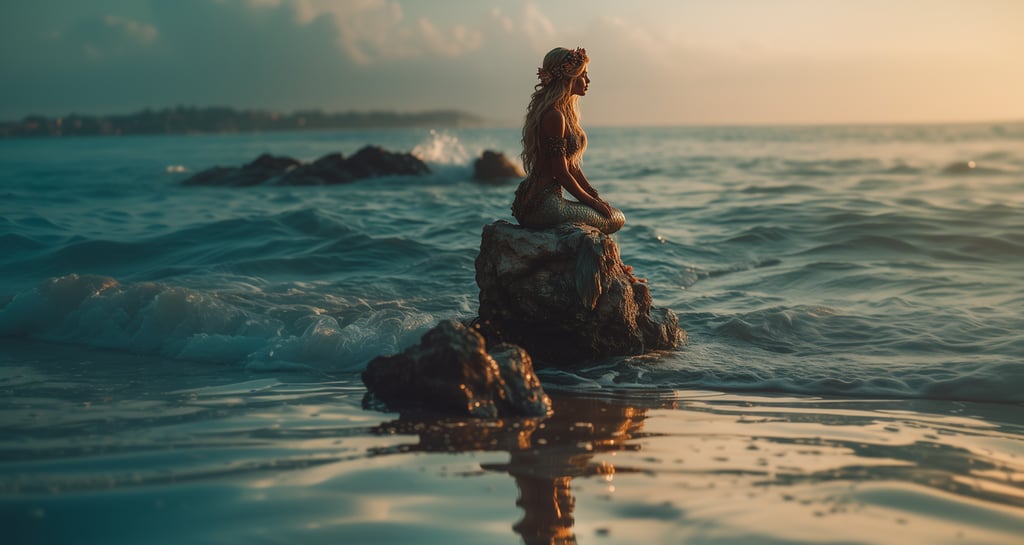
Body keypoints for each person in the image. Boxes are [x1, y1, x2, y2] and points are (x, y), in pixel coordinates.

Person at [511, 47, 626, 235]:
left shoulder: (558, 112)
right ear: (567, 78)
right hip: (544, 206)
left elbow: (571, 166)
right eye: (583, 75)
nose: (588, 81)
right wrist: (593, 203)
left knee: (608, 212)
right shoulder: (554, 116)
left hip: (532, 202)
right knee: (617, 218)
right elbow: (561, 172)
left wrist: (595, 196)